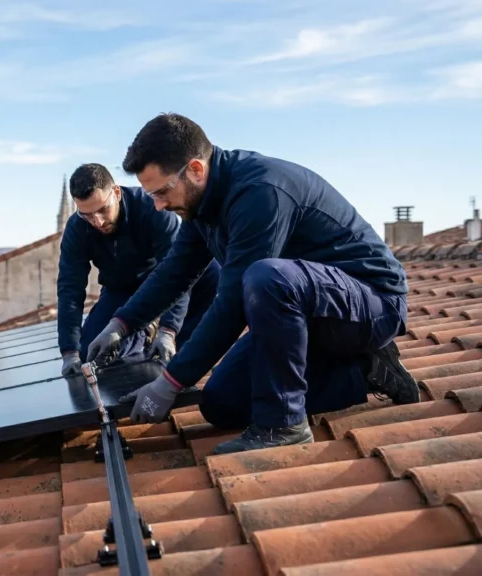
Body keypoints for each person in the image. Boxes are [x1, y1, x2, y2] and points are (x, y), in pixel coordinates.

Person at [87, 113, 418, 455]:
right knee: (222, 403)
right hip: (308, 313)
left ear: (196, 169)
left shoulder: (260, 192)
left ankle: (284, 424)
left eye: (162, 191)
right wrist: (121, 324)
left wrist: (171, 381)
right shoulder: (202, 205)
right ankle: (368, 370)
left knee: (265, 277)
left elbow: (233, 303)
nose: (158, 206)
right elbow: (174, 272)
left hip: (371, 306)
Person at [58, 163, 219, 377]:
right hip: (121, 289)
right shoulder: (77, 228)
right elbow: (70, 289)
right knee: (92, 351)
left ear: (116, 192)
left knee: (211, 271)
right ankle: (146, 329)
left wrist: (168, 331)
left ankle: (181, 350)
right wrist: (69, 351)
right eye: (87, 215)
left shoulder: (153, 208)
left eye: (103, 210)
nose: (97, 222)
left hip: (162, 282)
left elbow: (180, 271)